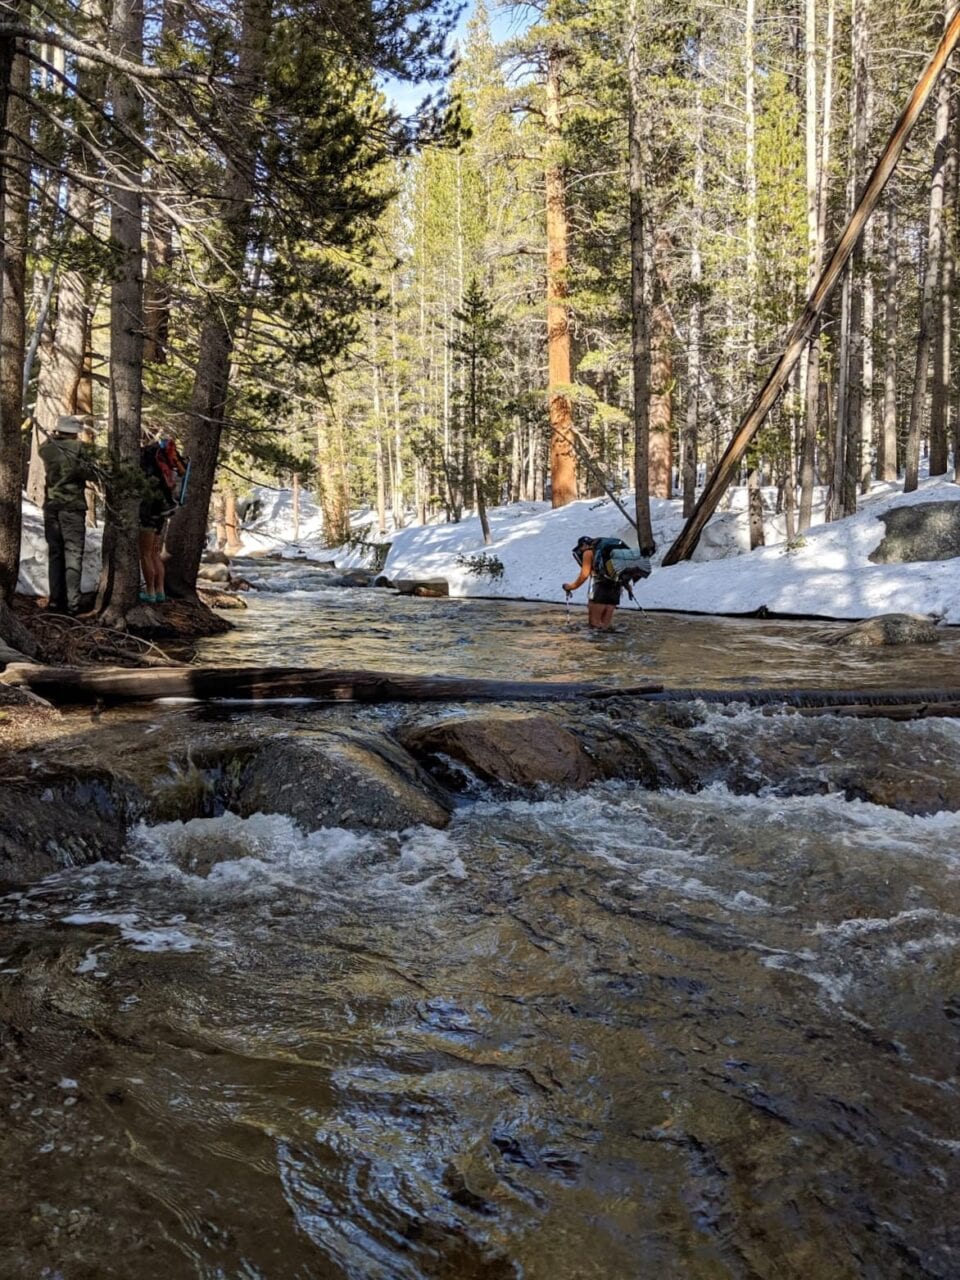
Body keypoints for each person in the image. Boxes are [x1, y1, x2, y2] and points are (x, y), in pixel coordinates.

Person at [39, 414, 95, 615]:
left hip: (51, 506)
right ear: (75, 433)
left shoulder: (46, 448)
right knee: (73, 554)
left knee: (55, 554)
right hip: (72, 507)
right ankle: (73, 604)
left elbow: (43, 447)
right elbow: (90, 473)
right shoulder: (79, 449)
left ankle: (55, 600)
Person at [139, 436, 187, 603]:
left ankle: (150, 592)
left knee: (145, 554)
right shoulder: (166, 464)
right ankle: (160, 592)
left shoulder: (147, 462)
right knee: (155, 554)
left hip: (147, 512)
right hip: (163, 511)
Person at [563, 535, 622, 630]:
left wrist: (571, 587)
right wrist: (628, 587)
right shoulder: (608, 552)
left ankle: (595, 644)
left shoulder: (588, 552)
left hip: (599, 588)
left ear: (584, 545)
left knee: (594, 625)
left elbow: (584, 575)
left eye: (581, 548)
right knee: (605, 627)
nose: (581, 551)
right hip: (616, 588)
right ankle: (608, 643)